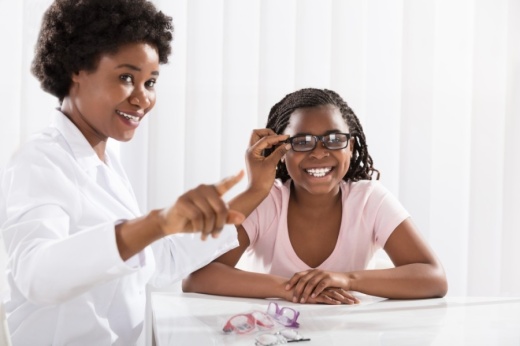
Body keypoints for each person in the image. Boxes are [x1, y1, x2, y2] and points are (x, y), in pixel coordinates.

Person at [0, 0, 245, 344]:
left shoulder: (106, 160)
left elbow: (152, 265)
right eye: (127, 77)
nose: (143, 99)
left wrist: (257, 189)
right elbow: (37, 276)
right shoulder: (38, 160)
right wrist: (156, 223)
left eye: (151, 82)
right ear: (77, 68)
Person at [183, 88, 448, 304]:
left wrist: (347, 279)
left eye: (333, 139)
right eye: (302, 141)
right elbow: (196, 276)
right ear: (280, 149)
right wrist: (291, 289)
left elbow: (433, 277)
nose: (319, 153)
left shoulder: (369, 200)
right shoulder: (267, 201)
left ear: (351, 146)